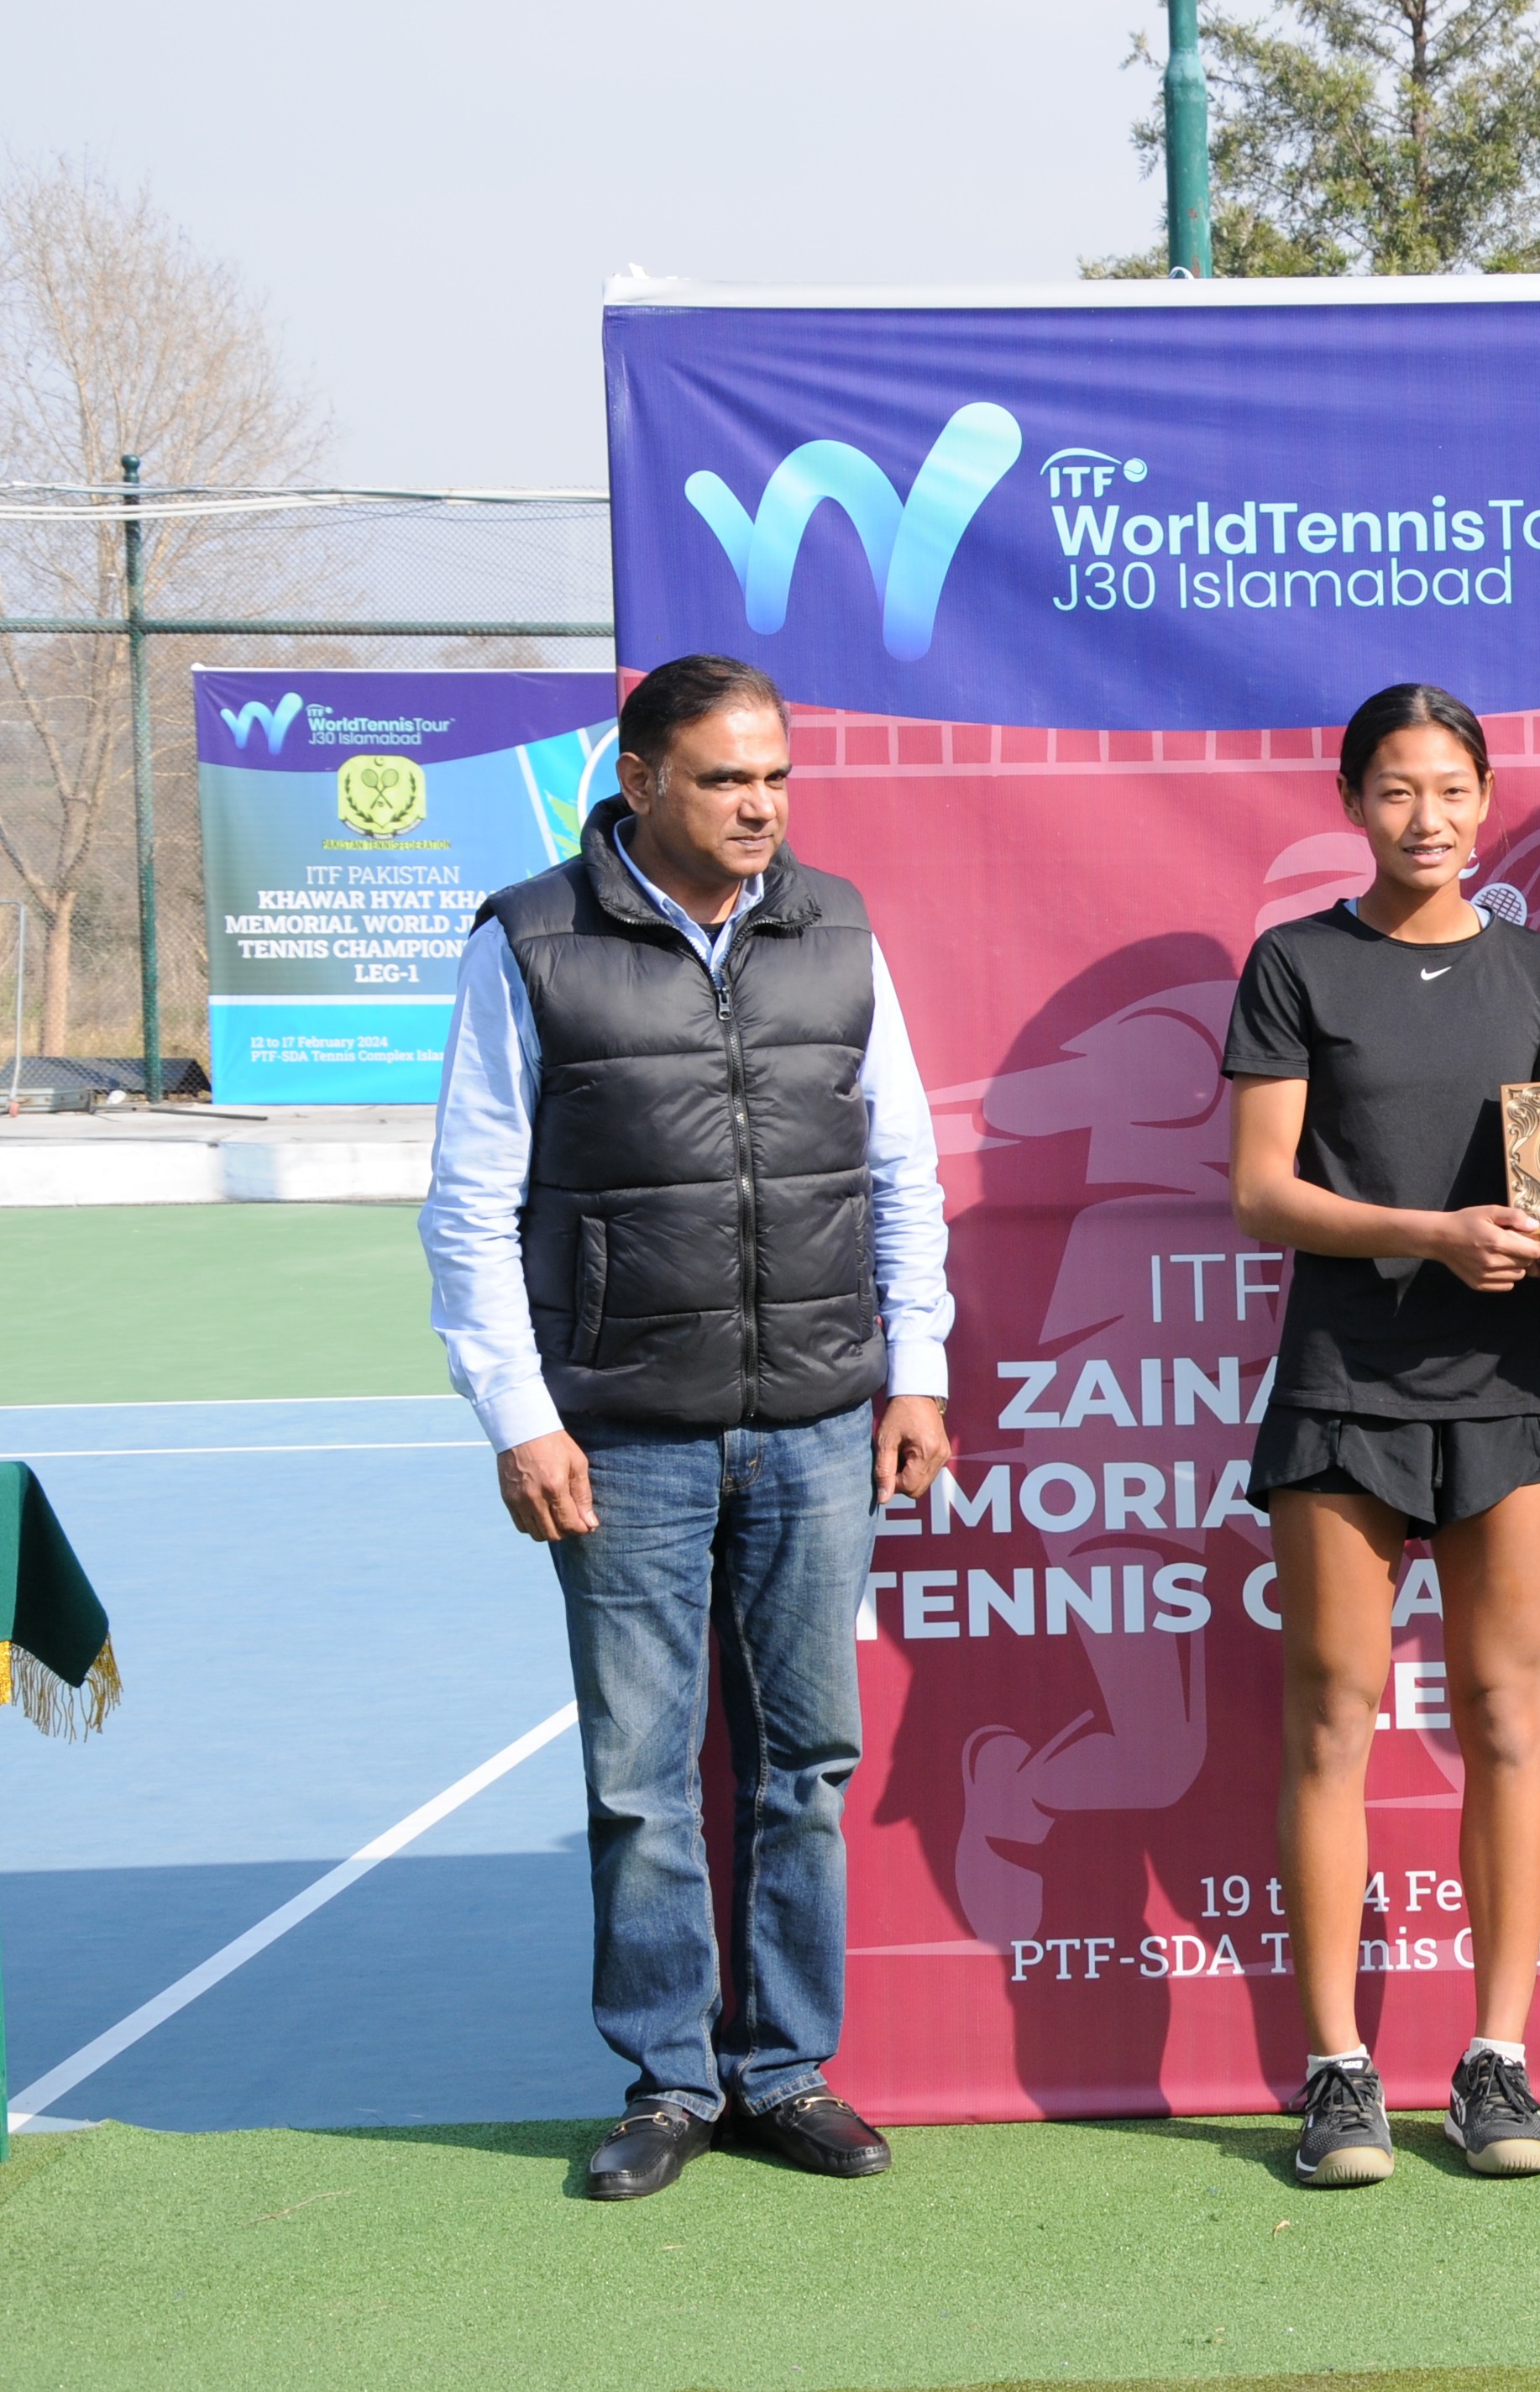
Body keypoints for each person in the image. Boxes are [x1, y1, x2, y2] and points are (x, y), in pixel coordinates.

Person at [420, 653, 956, 2202]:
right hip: (624, 1435)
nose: (761, 807)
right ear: (641, 778)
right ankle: (669, 2082)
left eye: (777, 777)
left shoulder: (838, 930)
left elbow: (900, 1169)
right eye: (728, 780)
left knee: (807, 1764)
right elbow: (468, 1208)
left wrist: (911, 1365)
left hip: (816, 1424)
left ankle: (784, 2072)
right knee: (640, 1779)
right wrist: (518, 1415)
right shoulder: (527, 940)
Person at [1223, 682, 1540, 2188]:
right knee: (1334, 1723)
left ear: (1487, 796)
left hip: (1503, 1390)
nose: (1425, 818)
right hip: (1341, 1386)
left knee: (1508, 1722)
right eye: (1394, 791)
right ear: (1351, 802)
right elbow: (1261, 1192)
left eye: (1450, 789)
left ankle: (1496, 2066)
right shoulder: (1295, 962)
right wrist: (1433, 1235)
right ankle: (1337, 2074)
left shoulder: (1539, 971)